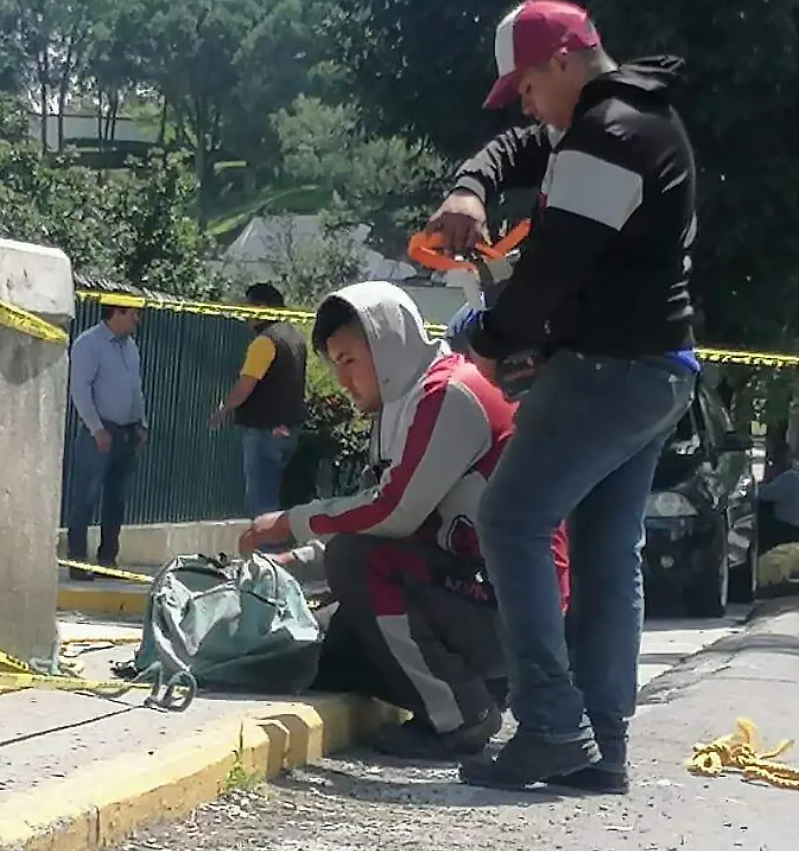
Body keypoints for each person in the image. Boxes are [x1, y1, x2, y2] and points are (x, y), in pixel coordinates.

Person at [428, 0, 700, 792]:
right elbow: (520, 145)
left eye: (525, 84)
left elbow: (549, 273)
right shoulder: (619, 117)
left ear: (563, 63)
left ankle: (551, 722)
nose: (521, 102)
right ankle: (601, 742)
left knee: (510, 519)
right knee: (609, 553)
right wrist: (473, 187)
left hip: (608, 372)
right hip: (657, 371)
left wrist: (490, 334)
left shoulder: (607, 139)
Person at [239, 282, 570, 761]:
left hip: (513, 611)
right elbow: (396, 520)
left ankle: (460, 716)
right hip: (470, 590)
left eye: (349, 360)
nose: (341, 378)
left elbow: (394, 512)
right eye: (333, 364)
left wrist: (289, 523)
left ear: (386, 342)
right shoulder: (402, 403)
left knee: (359, 565)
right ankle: (464, 690)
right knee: (329, 652)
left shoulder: (449, 394)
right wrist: (296, 562)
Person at [210, 282, 307, 517]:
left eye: (248, 308)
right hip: (288, 429)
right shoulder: (296, 338)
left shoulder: (265, 342)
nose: (245, 315)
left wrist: (224, 409)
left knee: (261, 502)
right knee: (278, 498)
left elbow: (246, 385)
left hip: (265, 430)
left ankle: (265, 551)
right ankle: (277, 549)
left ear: (262, 308)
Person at [65, 303, 147, 578]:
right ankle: (78, 562)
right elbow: (80, 389)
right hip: (99, 432)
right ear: (116, 312)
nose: (137, 318)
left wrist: (141, 424)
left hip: (127, 432)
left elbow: (135, 387)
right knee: (86, 498)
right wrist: (97, 429)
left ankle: (108, 560)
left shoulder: (129, 345)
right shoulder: (89, 344)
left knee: (117, 499)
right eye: (132, 312)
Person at [757, 440, 799, 548]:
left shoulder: (790, 478)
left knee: (756, 519)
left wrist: (767, 478)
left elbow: (759, 494)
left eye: (772, 462)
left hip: (794, 531)